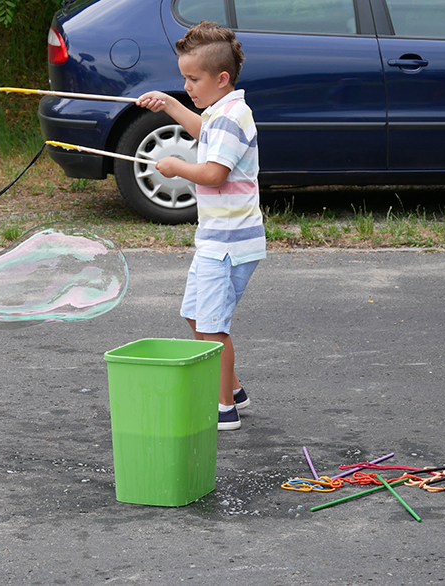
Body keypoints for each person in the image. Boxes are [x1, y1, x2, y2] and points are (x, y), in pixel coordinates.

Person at [136, 21, 265, 431]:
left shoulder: (230, 117)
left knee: (212, 326)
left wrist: (175, 168)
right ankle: (234, 387)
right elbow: (203, 130)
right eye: (184, 78)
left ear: (221, 78)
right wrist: (170, 106)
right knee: (196, 315)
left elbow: (213, 174)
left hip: (227, 243)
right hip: (217, 239)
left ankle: (223, 408)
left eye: (193, 79)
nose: (187, 86)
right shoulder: (222, 111)